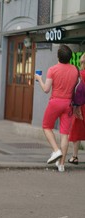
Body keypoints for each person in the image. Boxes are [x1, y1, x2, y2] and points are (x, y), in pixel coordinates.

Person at [35, 44, 78, 172]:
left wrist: (39, 79)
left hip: (55, 102)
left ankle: (56, 150)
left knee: (46, 127)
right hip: (68, 104)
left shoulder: (52, 69)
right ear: (70, 57)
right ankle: (61, 165)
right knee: (65, 134)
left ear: (58, 56)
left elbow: (46, 89)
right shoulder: (75, 70)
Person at [68, 53, 85, 165]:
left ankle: (74, 157)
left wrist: (75, 106)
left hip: (81, 106)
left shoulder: (80, 74)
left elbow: (77, 91)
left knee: (77, 130)